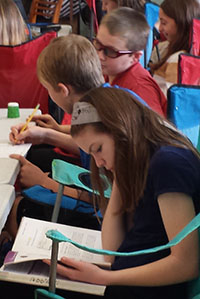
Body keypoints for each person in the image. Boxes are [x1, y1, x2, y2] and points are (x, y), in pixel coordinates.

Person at [43, 86, 200, 299]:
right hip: (128, 282)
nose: (98, 163)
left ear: (121, 128)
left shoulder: (167, 164)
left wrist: (104, 278)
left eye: (98, 149)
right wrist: (118, 175)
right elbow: (112, 250)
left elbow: (186, 264)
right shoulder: (140, 160)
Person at [6, 34, 105, 239]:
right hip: (99, 195)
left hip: (105, 217)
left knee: (18, 209)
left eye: (48, 89)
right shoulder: (103, 101)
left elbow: (107, 199)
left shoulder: (104, 132)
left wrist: (44, 182)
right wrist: (54, 131)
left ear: (62, 90)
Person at [94, 7, 167, 117]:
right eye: (98, 44)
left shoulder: (140, 88)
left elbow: (156, 132)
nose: (100, 56)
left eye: (110, 51)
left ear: (135, 56)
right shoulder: (108, 72)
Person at [150, 0, 200, 96]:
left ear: (181, 24)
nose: (160, 28)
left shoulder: (177, 59)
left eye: (164, 23)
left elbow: (170, 100)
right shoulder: (180, 54)